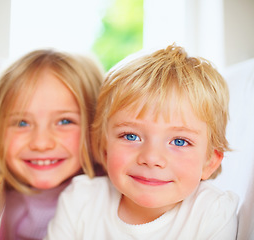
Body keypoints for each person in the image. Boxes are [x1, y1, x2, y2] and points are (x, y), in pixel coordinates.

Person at [45, 44, 239, 239]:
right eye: (131, 136)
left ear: (210, 161)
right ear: (104, 149)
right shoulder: (80, 200)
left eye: (179, 141)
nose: (151, 158)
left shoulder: (212, 212)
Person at [0, 49, 104, 240]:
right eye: (22, 123)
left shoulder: (109, 203)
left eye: (64, 121)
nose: (40, 143)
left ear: (96, 126)